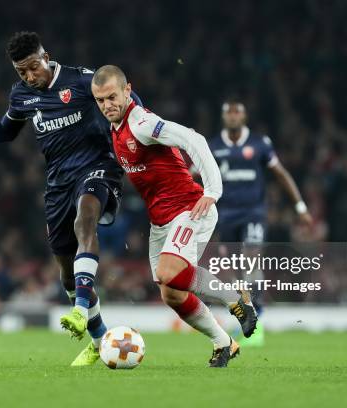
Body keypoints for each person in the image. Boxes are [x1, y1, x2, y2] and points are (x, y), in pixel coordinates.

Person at [0, 32, 141, 366]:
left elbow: (127, 99)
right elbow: (5, 130)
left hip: (98, 169)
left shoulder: (82, 81)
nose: (28, 76)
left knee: (86, 217)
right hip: (57, 184)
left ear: (45, 57)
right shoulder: (21, 94)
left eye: (32, 68)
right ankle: (98, 339)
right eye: (21, 72)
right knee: (66, 273)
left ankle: (80, 310)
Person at [90, 65, 257, 368]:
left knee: (169, 272)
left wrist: (212, 191)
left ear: (128, 91)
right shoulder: (115, 129)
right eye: (100, 100)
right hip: (161, 221)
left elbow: (195, 139)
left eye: (112, 96)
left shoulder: (141, 122)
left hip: (190, 208)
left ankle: (237, 298)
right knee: (172, 294)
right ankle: (224, 343)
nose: (107, 105)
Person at [209, 99, 313, 346]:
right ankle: (247, 321)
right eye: (229, 112)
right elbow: (191, 175)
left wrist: (300, 206)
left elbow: (281, 174)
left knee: (252, 258)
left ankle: (258, 325)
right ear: (223, 117)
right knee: (236, 272)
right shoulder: (212, 147)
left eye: (238, 112)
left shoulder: (259, 144)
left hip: (253, 212)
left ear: (244, 116)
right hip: (225, 216)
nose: (233, 116)